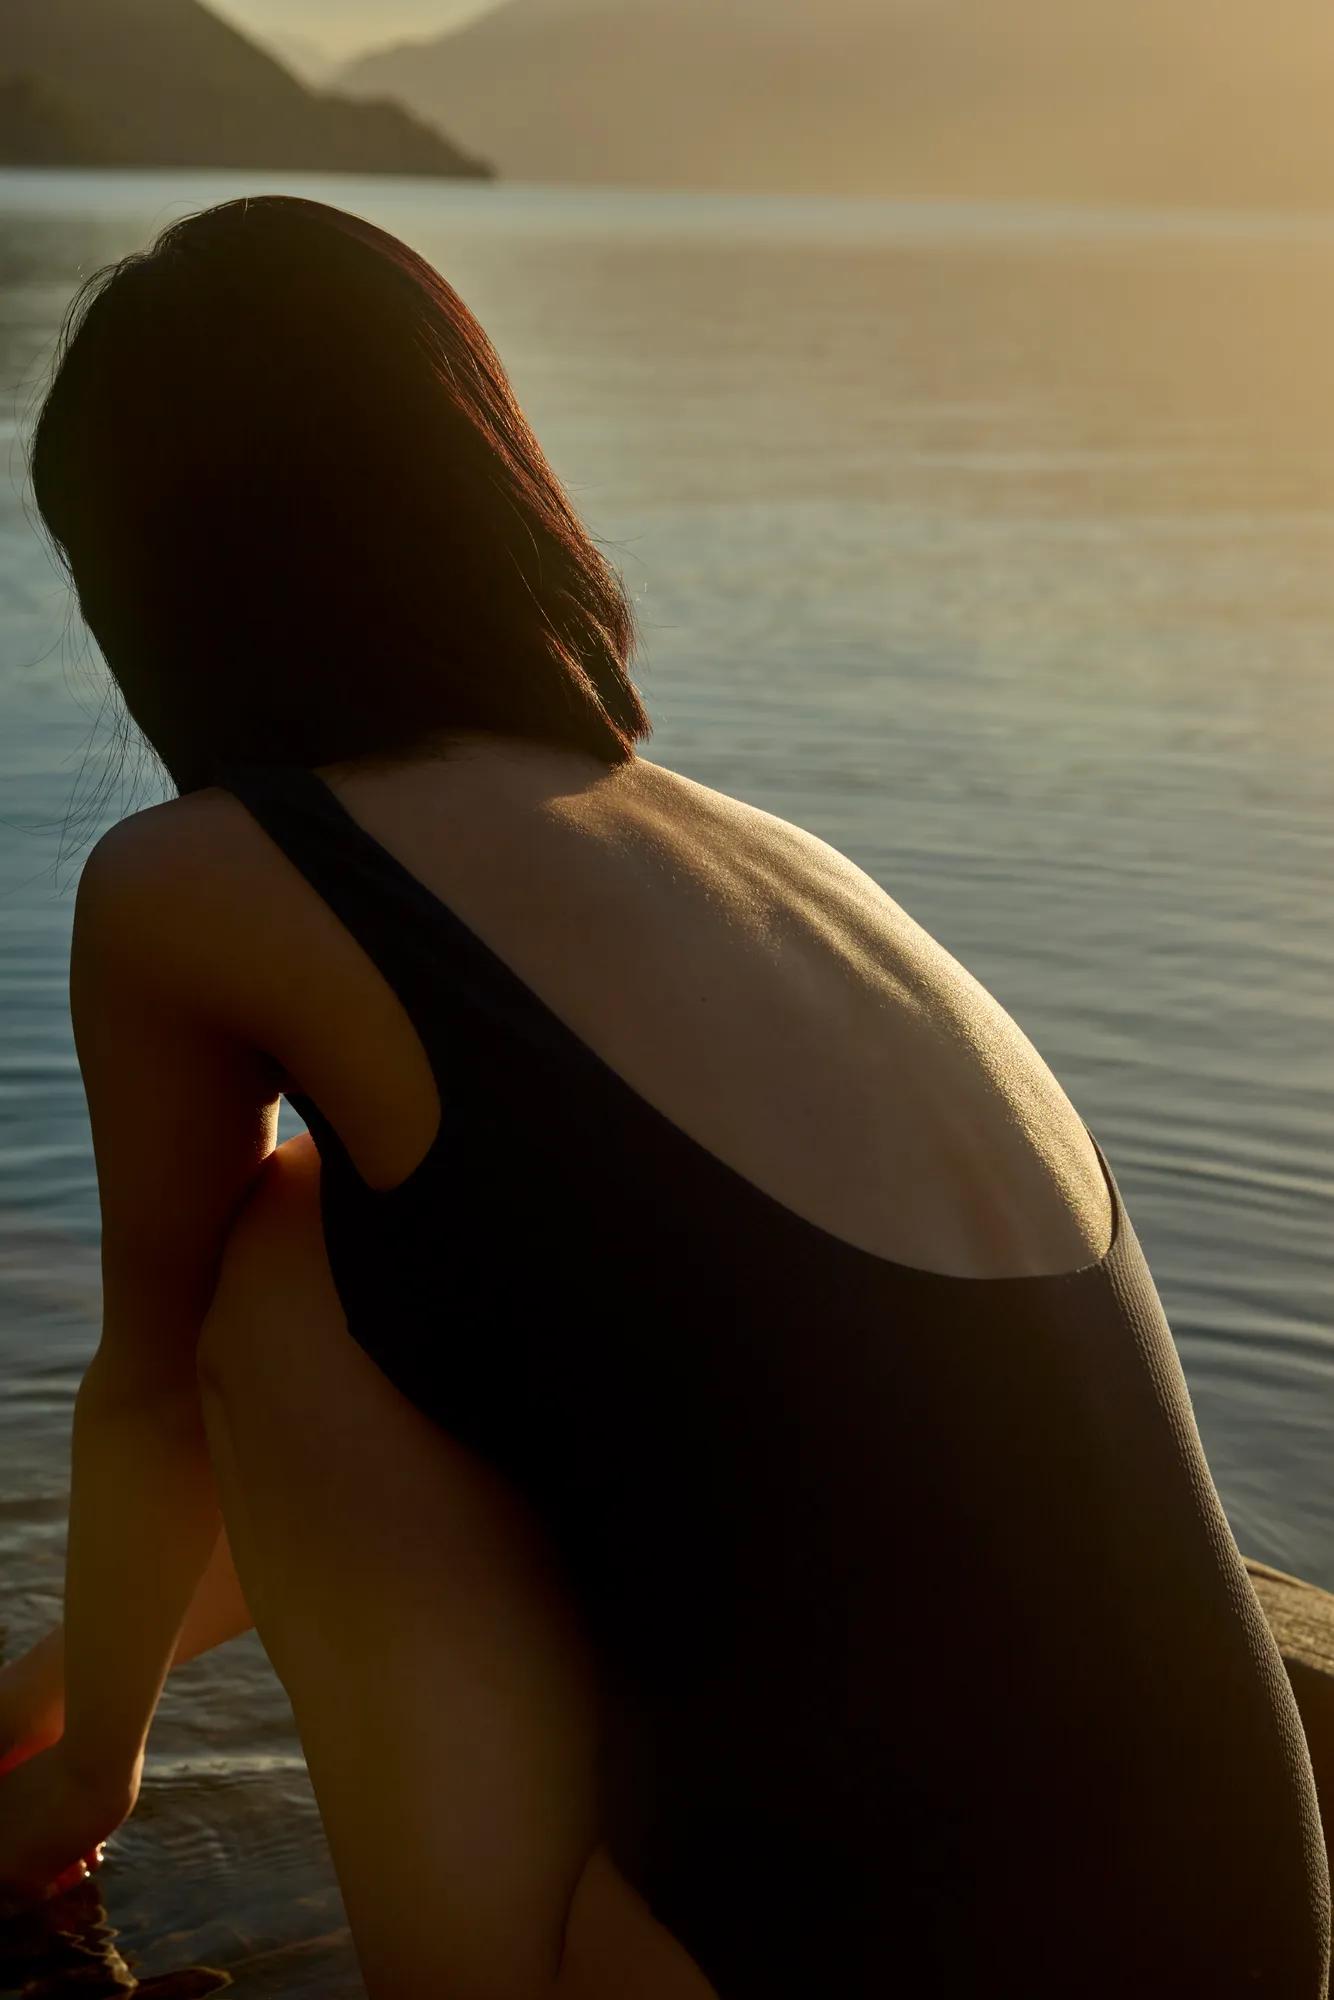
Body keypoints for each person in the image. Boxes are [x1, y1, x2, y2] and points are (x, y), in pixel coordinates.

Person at [0, 194, 1327, 1999]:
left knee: (280, 1259)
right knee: (376, 1274)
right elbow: (471, 1457)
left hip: (875, 1952)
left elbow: (169, 1396)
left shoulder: (205, 880)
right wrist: (60, 1672)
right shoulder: (785, 873)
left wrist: (86, 1770)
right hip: (1246, 1928)